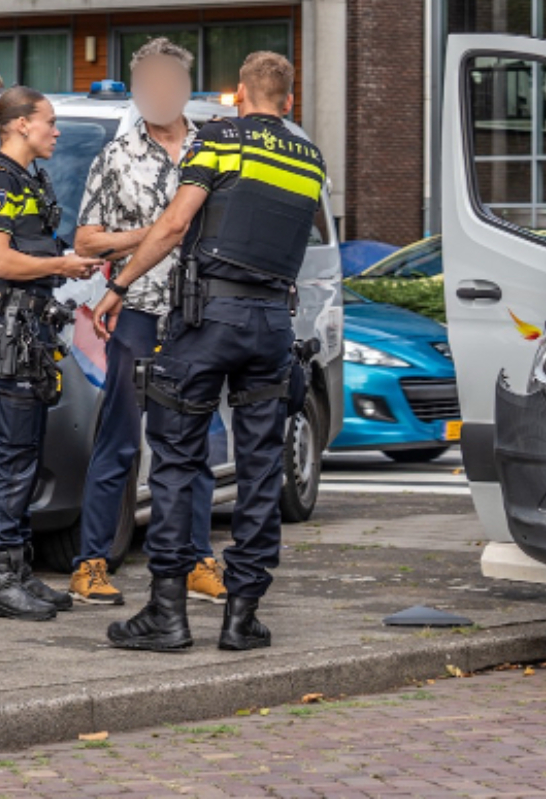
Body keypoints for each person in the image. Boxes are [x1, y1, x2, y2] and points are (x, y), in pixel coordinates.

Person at [94, 51, 325, 653]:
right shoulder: (310, 158)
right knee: (260, 468)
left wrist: (121, 286)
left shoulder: (220, 141)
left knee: (176, 459)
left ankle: (166, 615)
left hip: (208, 320)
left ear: (239, 95)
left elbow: (175, 225)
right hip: (272, 325)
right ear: (289, 102)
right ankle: (243, 617)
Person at [67, 37, 226, 607]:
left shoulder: (215, 149)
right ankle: (90, 564)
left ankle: (197, 560)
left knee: (191, 441)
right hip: (136, 312)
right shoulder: (115, 156)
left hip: (199, 315)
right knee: (119, 439)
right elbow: (87, 240)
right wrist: (159, 232)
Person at [0, 86, 101, 620]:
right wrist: (62, 265)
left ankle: (19, 571)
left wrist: (70, 260)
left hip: (32, 329)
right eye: (49, 121)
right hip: (13, 328)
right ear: (22, 124)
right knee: (12, 457)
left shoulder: (29, 179)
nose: (56, 131)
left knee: (26, 455)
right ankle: (0, 582)